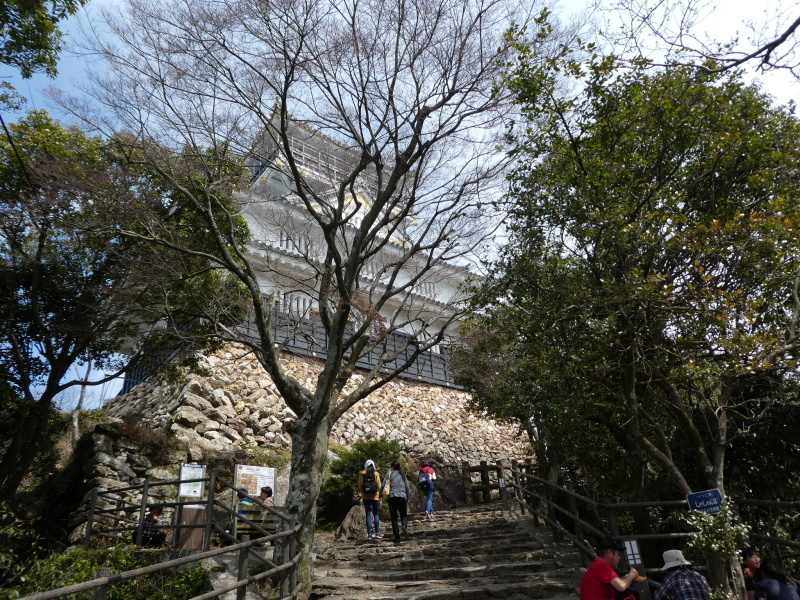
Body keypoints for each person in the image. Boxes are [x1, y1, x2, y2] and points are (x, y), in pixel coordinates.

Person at [380, 461, 410, 543]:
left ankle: (397, 537)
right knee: (404, 515)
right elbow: (407, 487)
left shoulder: (389, 474)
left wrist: (380, 495)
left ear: (392, 467)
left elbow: (383, 485)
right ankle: (404, 526)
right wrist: (407, 497)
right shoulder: (403, 475)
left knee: (394, 518)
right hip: (402, 496)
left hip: (392, 497)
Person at [359, 459, 383, 539]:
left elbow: (360, 486)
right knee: (376, 513)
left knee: (368, 514)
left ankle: (369, 534)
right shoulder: (376, 474)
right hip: (375, 496)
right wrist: (380, 497)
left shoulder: (362, 474)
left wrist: (363, 492)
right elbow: (379, 486)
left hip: (365, 496)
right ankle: (377, 533)